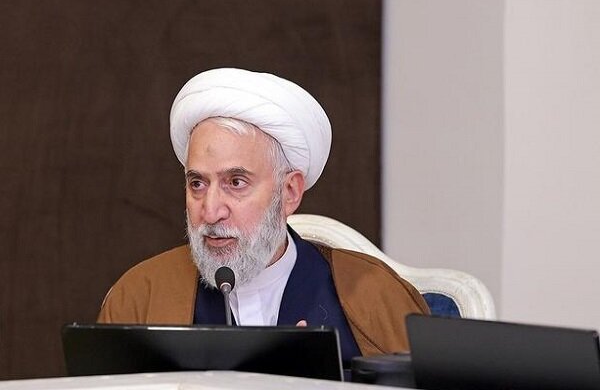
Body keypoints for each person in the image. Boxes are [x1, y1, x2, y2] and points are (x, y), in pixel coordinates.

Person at [98, 67, 429, 365]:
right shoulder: (139, 296)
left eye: (236, 183)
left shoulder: (376, 295)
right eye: (197, 183)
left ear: (290, 192)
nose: (210, 212)